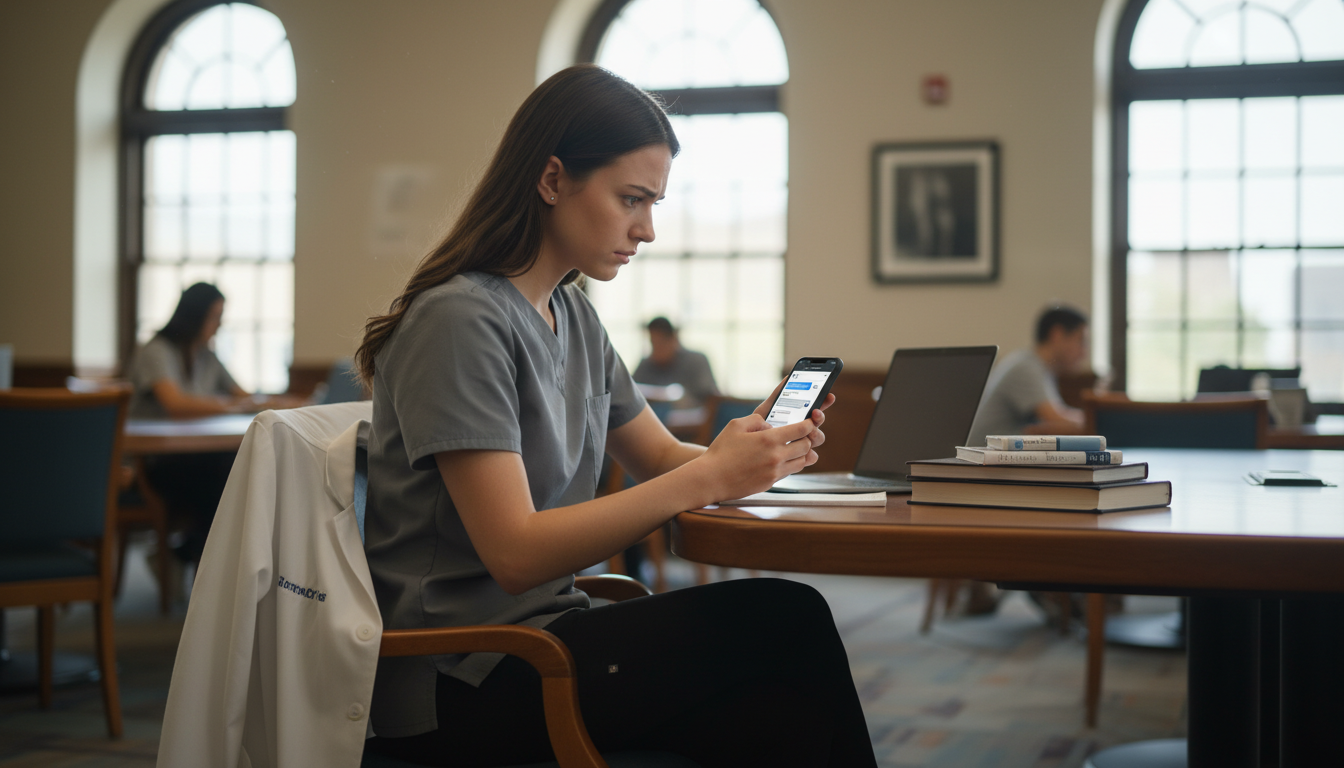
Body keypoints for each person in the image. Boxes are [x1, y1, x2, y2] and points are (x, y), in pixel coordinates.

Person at [355, 64, 876, 768]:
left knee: (776, 715)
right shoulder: (460, 319)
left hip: (545, 638)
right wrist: (710, 477)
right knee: (788, 619)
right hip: (464, 674)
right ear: (551, 180)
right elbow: (514, 552)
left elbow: (661, 459)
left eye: (654, 203)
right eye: (632, 198)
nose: (649, 229)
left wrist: (753, 454)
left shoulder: (571, 314)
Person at [125, 282, 299, 562]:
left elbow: (242, 395)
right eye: (215, 316)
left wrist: (286, 403)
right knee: (226, 473)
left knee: (237, 464)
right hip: (155, 463)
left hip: (198, 454)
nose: (219, 325)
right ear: (195, 315)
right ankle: (198, 560)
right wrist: (233, 405)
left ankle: (190, 554)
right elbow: (176, 404)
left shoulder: (206, 354)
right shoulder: (156, 351)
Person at [966, 304, 1089, 449]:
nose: (1084, 353)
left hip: (997, 456)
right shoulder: (1026, 368)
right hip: (981, 460)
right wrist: (1097, 419)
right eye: (1081, 341)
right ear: (1057, 334)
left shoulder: (1040, 369)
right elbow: (1056, 419)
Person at [632, 316, 720, 408]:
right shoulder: (646, 365)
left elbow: (710, 398)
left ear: (673, 339)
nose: (657, 350)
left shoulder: (696, 361)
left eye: (661, 343)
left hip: (692, 420)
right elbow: (631, 393)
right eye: (653, 344)